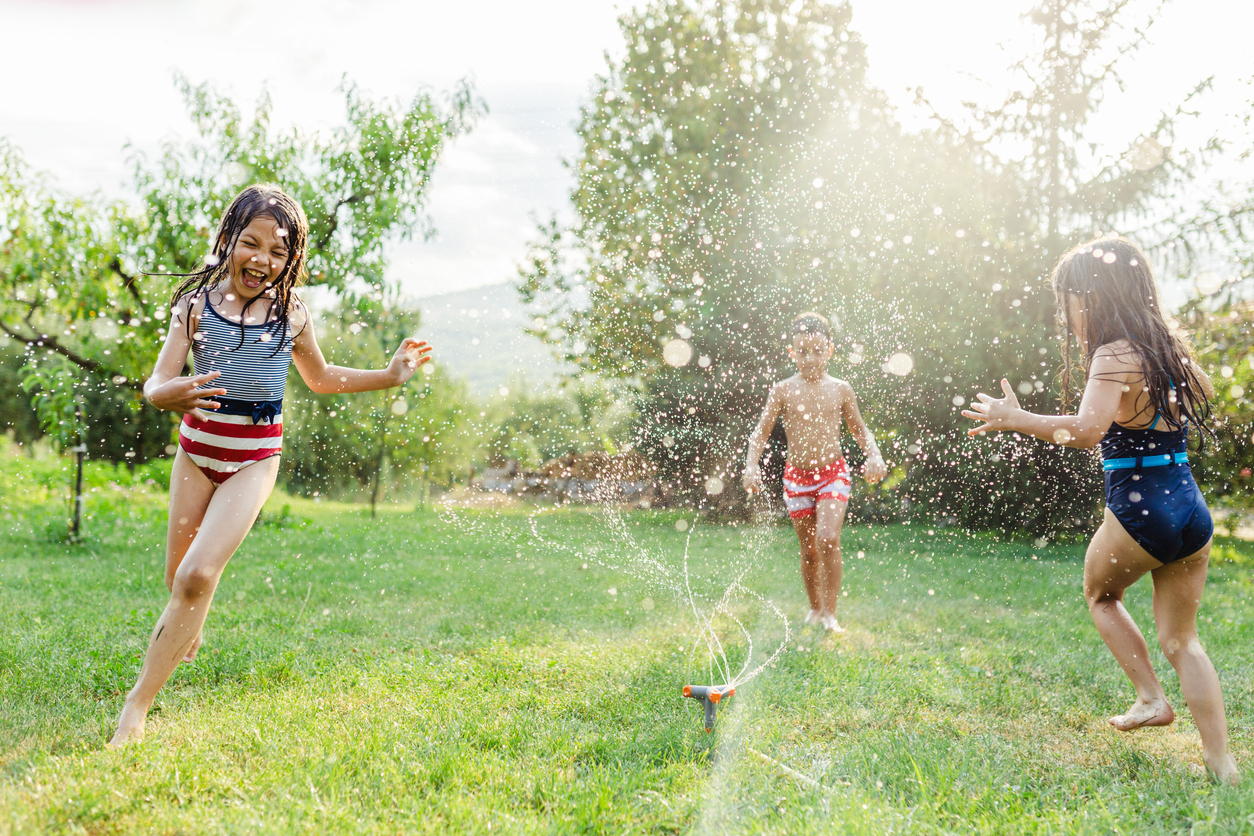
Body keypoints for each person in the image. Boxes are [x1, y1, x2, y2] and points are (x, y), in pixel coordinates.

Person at [109, 184, 431, 746]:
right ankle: (189, 614)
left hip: (253, 459)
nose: (262, 260)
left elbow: (322, 379)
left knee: (197, 577)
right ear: (227, 241)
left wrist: (388, 375)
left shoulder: (291, 315)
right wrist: (168, 393)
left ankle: (136, 708)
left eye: (277, 252)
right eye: (250, 244)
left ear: (292, 259)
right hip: (196, 454)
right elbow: (155, 382)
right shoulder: (194, 308)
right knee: (176, 580)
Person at [963, 235, 1239, 784]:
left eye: (1068, 299)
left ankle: (1149, 698)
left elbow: (1088, 431)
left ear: (1092, 296)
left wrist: (1016, 417)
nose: (1066, 314)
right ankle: (1222, 764)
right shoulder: (1169, 349)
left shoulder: (1114, 353)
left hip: (1142, 507)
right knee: (1184, 640)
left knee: (1101, 594)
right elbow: (1193, 397)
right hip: (1188, 506)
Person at [742, 312, 888, 633]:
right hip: (796, 478)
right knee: (808, 550)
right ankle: (814, 609)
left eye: (818, 351)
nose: (810, 359)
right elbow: (761, 432)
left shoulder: (840, 389)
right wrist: (751, 464)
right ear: (792, 352)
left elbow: (860, 430)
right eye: (803, 352)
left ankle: (830, 615)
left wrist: (874, 455)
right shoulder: (782, 389)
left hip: (832, 473)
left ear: (830, 351)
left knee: (827, 538)